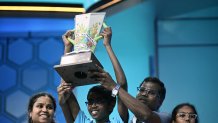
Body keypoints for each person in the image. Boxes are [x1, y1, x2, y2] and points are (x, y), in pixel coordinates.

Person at [58, 25, 128, 123]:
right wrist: (68, 47)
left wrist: (107, 45)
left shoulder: (118, 121)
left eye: (99, 100)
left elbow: (122, 86)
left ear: (111, 105)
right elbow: (65, 89)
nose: (93, 105)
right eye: (90, 101)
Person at [90, 67, 171, 123]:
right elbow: (122, 85)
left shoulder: (165, 118)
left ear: (160, 101)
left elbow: (146, 115)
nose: (144, 94)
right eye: (142, 90)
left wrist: (114, 86)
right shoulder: (130, 121)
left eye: (151, 92)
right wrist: (107, 46)